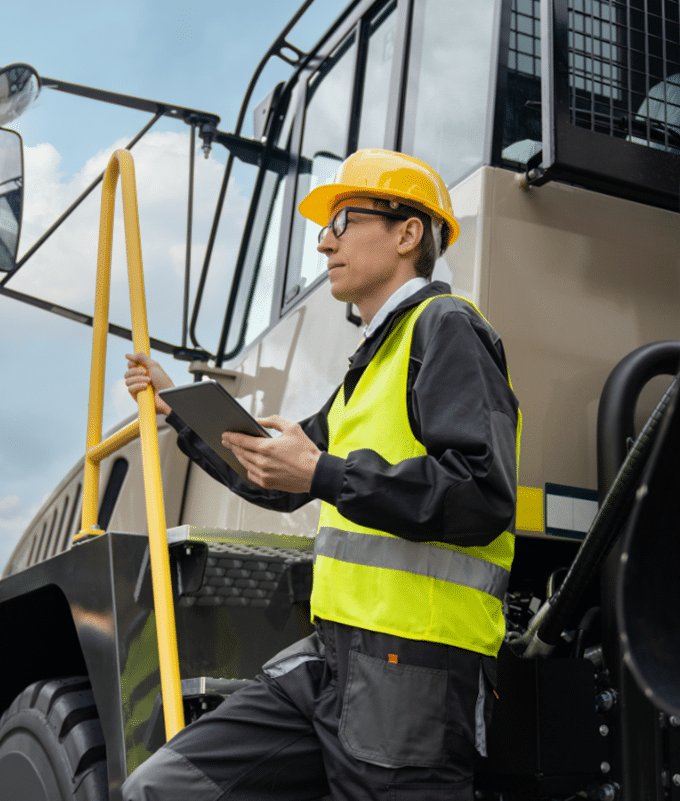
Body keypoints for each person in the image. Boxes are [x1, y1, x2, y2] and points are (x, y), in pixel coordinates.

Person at [121, 149, 520, 801]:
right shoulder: (370, 366)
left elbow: (480, 493)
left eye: (344, 220)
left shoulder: (447, 327)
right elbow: (274, 475)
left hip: (409, 666)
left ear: (407, 232)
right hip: (331, 657)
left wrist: (324, 470)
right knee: (163, 788)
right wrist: (180, 408)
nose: (323, 239)